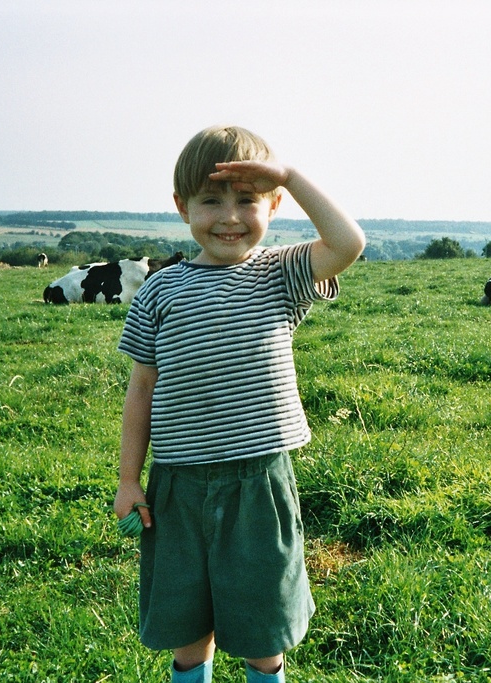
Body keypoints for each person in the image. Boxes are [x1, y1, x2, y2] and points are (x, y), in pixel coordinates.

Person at [114, 125, 365, 683]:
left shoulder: (281, 274)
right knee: (185, 627)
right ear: (182, 207)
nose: (230, 217)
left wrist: (291, 176)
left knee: (262, 627)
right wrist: (130, 480)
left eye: (247, 200)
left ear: (273, 205)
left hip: (258, 481)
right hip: (176, 484)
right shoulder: (159, 291)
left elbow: (348, 244)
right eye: (211, 200)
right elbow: (141, 391)